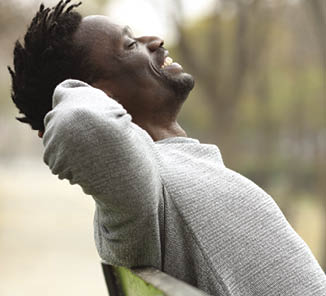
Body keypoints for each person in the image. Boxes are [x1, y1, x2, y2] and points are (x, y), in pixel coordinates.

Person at [8, 1, 326, 295]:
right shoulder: (140, 195)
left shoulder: (166, 171)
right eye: (130, 45)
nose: (156, 40)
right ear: (102, 96)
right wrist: (69, 92)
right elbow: (78, 123)